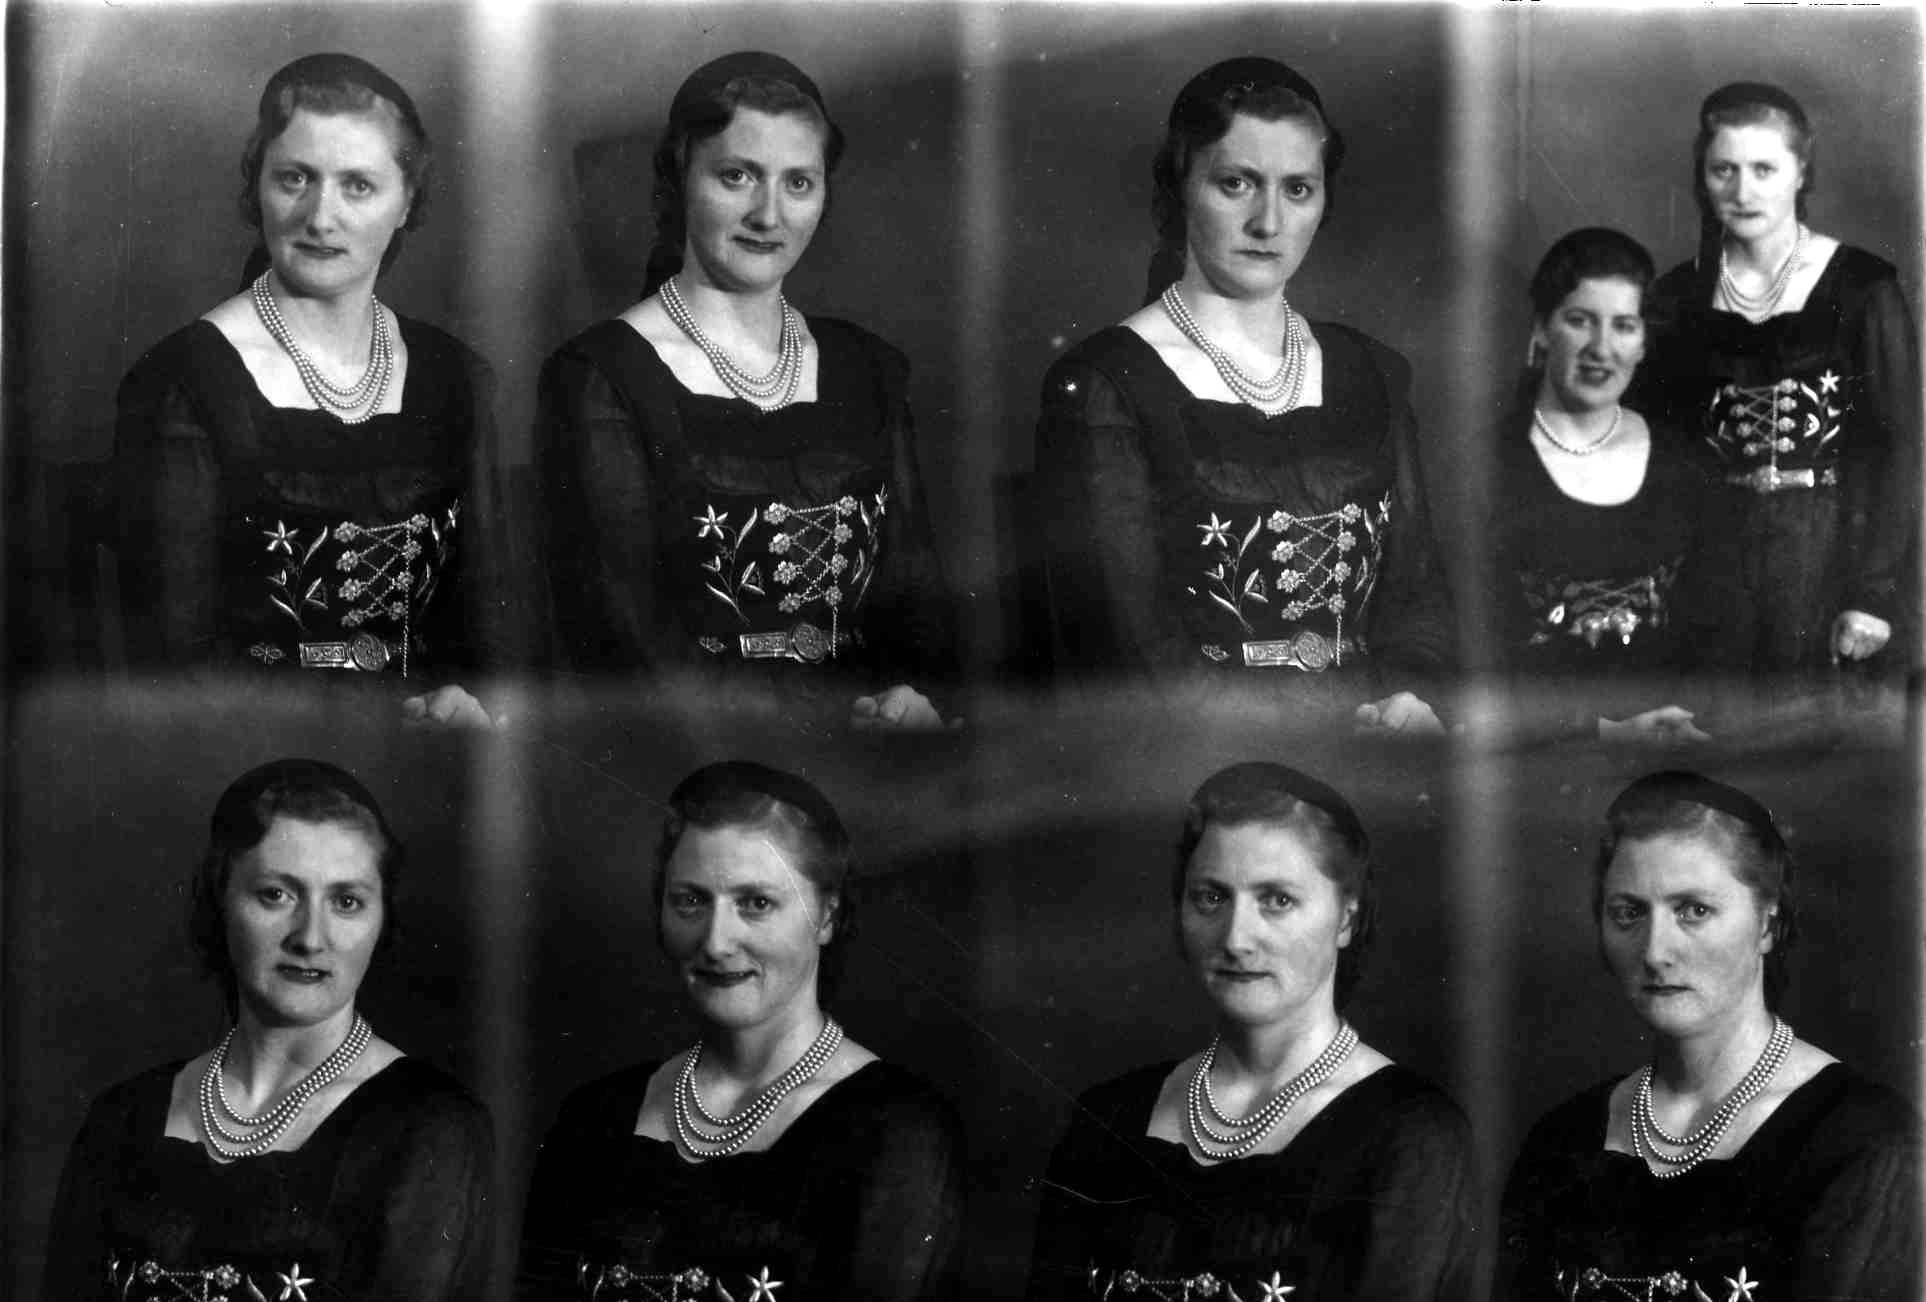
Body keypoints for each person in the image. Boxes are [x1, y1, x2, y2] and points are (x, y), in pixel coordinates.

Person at [537, 52, 955, 730]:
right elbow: (626, 645)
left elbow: (918, 599)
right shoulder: (601, 378)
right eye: (737, 176)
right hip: (701, 755)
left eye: (799, 183)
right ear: (679, 179)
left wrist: (906, 702)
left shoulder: (868, 368)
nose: (769, 214)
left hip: (879, 746)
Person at [1035, 58, 1453, 734]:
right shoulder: (1108, 386)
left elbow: (1420, 599)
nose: (1269, 221)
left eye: (1298, 189)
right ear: (1180, 188)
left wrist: (1406, 703)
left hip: (1377, 743)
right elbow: (1130, 654)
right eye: (1236, 183)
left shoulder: (1371, 374)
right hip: (1196, 758)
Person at [114, 53, 498, 726]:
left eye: (358, 185)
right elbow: (178, 662)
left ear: (406, 202)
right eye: (295, 178)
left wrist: (461, 711)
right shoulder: (183, 385)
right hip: (256, 748)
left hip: (438, 742)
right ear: (257, 185)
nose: (321, 217)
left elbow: (492, 622)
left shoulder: (453, 375)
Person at [42, 758, 495, 1301]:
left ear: (381, 921)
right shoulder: (121, 1119)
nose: (310, 938)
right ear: (220, 900)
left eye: (346, 902)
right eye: (277, 894)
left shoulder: (429, 1130)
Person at [1025, 762, 1477, 1301]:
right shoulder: (1107, 1118)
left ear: (1346, 919)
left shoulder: (1410, 1137)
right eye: (1212, 897)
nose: (1236, 939)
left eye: (1277, 900)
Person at [519, 760, 962, 1301]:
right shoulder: (593, 1118)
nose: (715, 941)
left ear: (826, 916)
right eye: (691, 900)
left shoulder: (897, 1132)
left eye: (756, 903)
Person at [1499, 770, 1921, 1300]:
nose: (1655, 951)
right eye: (1628, 913)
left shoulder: (1865, 1144)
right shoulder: (1562, 1141)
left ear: (1767, 925)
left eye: (1694, 910)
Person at [1647, 82, 1920, 683]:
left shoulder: (1863, 287)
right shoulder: (1676, 297)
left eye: (1764, 169)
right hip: (1707, 570)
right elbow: (1655, 452)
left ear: (1801, 171)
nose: (1742, 192)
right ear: (1702, 177)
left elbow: (1902, 449)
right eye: (1724, 170)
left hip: (1826, 562)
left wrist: (1873, 594)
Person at [1493, 228, 1708, 746]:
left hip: (1676, 741)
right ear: (1542, 329)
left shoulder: (1682, 461)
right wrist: (1606, 732)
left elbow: (1721, 625)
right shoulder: (1489, 465)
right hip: (1545, 752)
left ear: (1643, 342)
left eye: (1624, 326)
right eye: (1580, 320)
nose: (1601, 349)